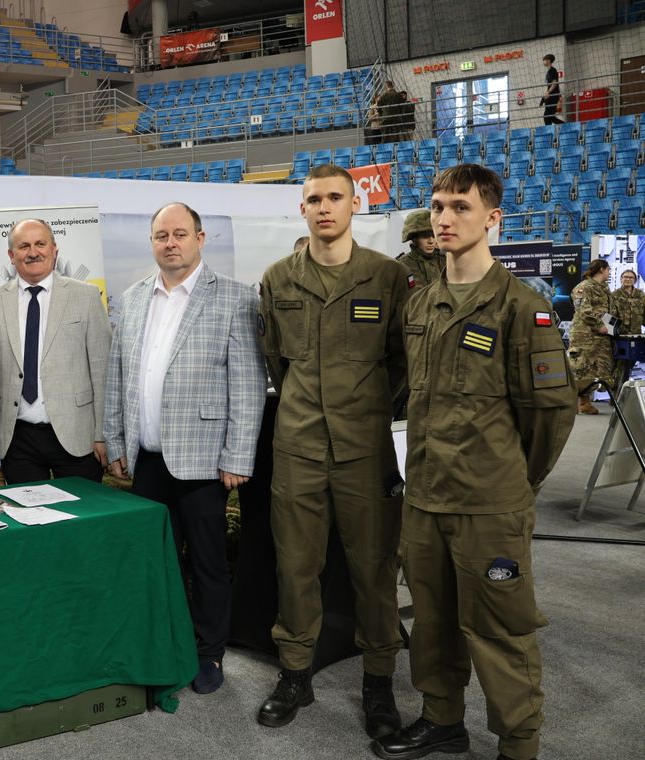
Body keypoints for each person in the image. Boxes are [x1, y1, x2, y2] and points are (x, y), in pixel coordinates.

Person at [372, 163, 576, 760]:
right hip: (426, 497)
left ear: (493, 219)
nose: (444, 218)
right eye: (437, 207)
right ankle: (442, 721)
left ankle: (518, 743)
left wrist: (515, 480)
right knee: (432, 625)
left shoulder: (522, 308)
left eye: (460, 207)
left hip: (489, 505)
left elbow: (550, 415)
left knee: (499, 629)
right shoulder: (423, 305)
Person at [257, 164, 409, 738]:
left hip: (365, 448)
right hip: (298, 444)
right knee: (295, 564)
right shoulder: (278, 279)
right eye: (314, 199)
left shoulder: (385, 277)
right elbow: (276, 359)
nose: (324, 208)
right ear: (303, 210)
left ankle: (378, 681)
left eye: (335, 198)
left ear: (354, 206)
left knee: (375, 567)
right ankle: (295, 672)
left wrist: (365, 409)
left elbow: (400, 362)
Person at [104, 202, 265, 695]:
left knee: (208, 563)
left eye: (179, 234)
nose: (169, 243)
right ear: (151, 242)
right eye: (160, 235)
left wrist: (238, 457)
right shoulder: (131, 300)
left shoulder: (236, 299)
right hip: (147, 458)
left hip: (203, 459)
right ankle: (166, 646)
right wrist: (115, 441)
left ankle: (209, 653)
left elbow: (249, 384)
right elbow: (118, 378)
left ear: (200, 238)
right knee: (158, 561)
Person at [0, 219, 111, 484]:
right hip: (17, 438)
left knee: (81, 517)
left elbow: (102, 371)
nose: (33, 252)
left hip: (78, 436)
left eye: (40, 244)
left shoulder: (85, 296)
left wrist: (102, 434)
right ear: (11, 255)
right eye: (24, 246)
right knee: (31, 521)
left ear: (54, 249)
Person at [568, 259, 614, 414]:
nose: (609, 273)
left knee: (595, 370)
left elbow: (608, 310)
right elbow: (584, 310)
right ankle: (571, 404)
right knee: (579, 367)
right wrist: (598, 325)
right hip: (585, 335)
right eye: (608, 269)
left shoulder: (604, 288)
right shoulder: (584, 287)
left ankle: (585, 403)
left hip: (601, 336)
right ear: (601, 269)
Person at [398, 209, 445, 293]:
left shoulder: (446, 261)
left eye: (433, 236)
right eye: (425, 236)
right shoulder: (402, 266)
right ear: (414, 239)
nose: (431, 241)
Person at [611, 269, 645, 383]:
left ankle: (623, 393)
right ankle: (616, 395)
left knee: (630, 365)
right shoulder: (614, 295)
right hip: (620, 336)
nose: (628, 279)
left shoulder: (641, 295)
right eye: (625, 277)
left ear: (635, 280)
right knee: (619, 367)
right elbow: (610, 316)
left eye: (631, 277)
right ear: (621, 279)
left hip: (636, 336)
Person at [540, 54, 564, 125]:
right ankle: (565, 125)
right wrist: (544, 97)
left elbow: (555, 83)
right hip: (550, 97)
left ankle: (566, 125)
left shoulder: (552, 70)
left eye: (544, 60)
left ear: (548, 60)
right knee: (549, 117)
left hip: (553, 96)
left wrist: (549, 92)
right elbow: (549, 86)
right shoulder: (549, 71)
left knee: (547, 116)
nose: (543, 62)